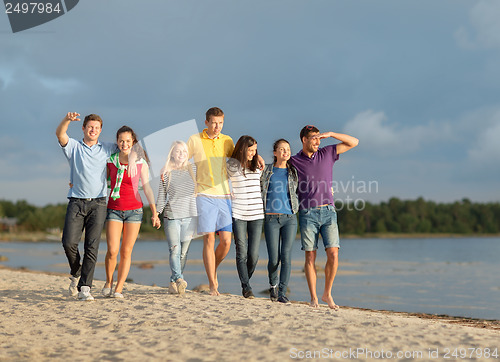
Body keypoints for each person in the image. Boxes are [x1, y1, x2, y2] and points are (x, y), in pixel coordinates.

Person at [290, 125, 358, 310]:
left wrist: (331, 134)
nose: (317, 141)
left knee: (333, 255)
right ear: (304, 139)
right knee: (310, 256)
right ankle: (313, 298)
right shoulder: (294, 160)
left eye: (319, 138)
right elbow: (277, 165)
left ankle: (327, 293)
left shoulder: (327, 152)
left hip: (328, 211)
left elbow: (354, 142)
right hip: (307, 212)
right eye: (313, 138)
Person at [56, 112, 122, 301]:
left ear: (101, 131)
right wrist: (67, 120)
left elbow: (127, 149)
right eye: (90, 127)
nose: (93, 130)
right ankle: (76, 270)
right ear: (83, 128)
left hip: (99, 202)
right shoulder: (74, 147)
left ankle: (85, 288)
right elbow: (60, 134)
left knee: (92, 247)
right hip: (76, 201)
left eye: (97, 128)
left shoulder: (108, 148)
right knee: (68, 243)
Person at [102, 126, 161, 299]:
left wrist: (155, 212)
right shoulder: (111, 160)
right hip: (114, 209)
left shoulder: (141, 163)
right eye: (121, 140)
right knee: (112, 250)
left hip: (134, 211)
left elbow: (148, 188)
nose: (124, 144)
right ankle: (108, 282)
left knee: (126, 251)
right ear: (117, 141)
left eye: (128, 141)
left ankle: (119, 288)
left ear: (133, 142)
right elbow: (99, 180)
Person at [186, 107, 235, 296]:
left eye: (221, 123)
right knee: (209, 238)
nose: (217, 127)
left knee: (226, 241)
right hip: (204, 195)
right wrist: (192, 181)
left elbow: (240, 156)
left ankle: (212, 268)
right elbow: (181, 159)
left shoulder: (227, 140)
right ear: (206, 122)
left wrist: (258, 156)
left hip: (224, 196)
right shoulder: (194, 140)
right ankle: (212, 284)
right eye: (214, 123)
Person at [261, 139, 299, 304]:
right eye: (282, 149)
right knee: (274, 258)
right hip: (271, 218)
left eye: (288, 149)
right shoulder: (266, 170)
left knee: (286, 256)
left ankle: (282, 292)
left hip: (290, 218)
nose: (286, 152)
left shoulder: (293, 172)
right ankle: (273, 285)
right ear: (275, 152)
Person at [156, 141, 197, 295]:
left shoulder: (194, 169)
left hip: (190, 217)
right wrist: (156, 214)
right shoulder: (166, 172)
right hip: (172, 216)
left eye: (184, 151)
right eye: (178, 151)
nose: (182, 154)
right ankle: (179, 279)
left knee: (183, 253)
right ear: (172, 153)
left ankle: (174, 282)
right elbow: (161, 196)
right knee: (175, 249)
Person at [226, 136, 264, 299]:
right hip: (238, 213)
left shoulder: (258, 165)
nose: (253, 153)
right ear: (242, 149)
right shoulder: (231, 165)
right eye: (250, 150)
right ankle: (246, 287)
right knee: (241, 251)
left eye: (255, 150)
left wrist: (258, 156)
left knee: (254, 255)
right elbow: (223, 181)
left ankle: (245, 279)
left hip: (257, 214)